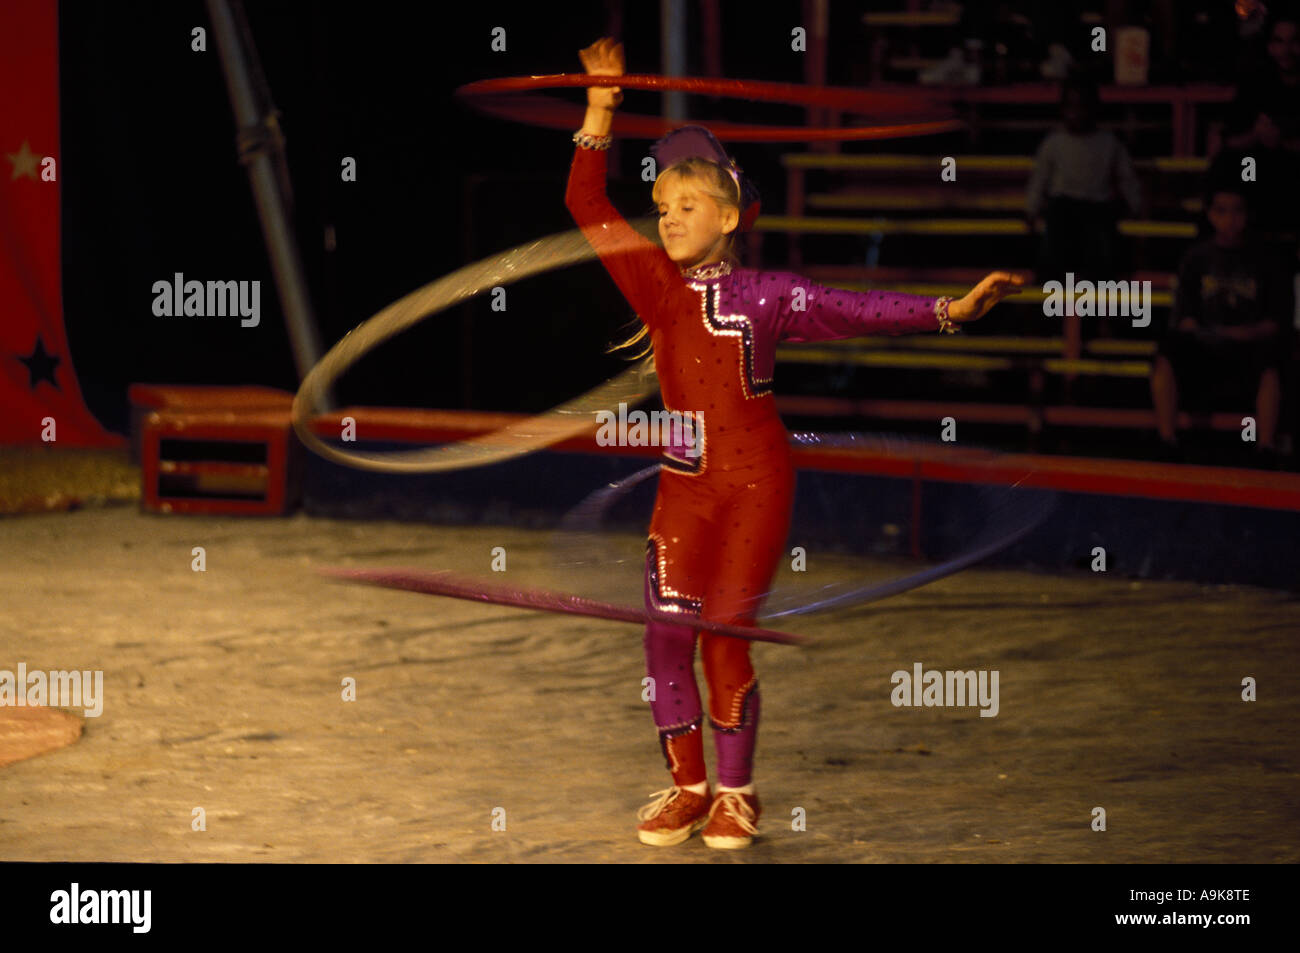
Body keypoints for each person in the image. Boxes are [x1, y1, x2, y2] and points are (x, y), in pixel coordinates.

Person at [565, 37, 1023, 849]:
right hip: (683, 487)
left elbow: (861, 308)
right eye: (663, 205)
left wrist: (955, 310)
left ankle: (737, 794)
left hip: (754, 485)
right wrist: (602, 105)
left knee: (724, 641)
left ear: (731, 217)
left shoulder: (769, 296)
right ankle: (687, 787)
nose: (667, 216)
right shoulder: (655, 286)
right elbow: (587, 207)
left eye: (687, 205)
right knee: (665, 633)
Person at [1150, 184, 1289, 465]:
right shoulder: (1195, 258)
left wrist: (1234, 334)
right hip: (1206, 349)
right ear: (1211, 215)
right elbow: (1184, 321)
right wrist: (1212, 334)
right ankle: (1167, 441)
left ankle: (1265, 447)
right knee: (1166, 352)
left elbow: (1275, 324)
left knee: (1272, 361)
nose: (1230, 219)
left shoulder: (1267, 259)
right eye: (1222, 211)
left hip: (1249, 349)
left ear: (1248, 215)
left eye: (1237, 211)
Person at [1027, 74, 1142, 285]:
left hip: (1097, 209)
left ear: (1094, 108)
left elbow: (1127, 179)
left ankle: (1100, 298)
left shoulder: (1109, 143)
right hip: (1062, 208)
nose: (1076, 113)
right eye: (1071, 106)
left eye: (1082, 106)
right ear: (1062, 109)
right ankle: (1045, 299)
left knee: (1103, 250)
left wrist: (1136, 207)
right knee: (1051, 244)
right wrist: (1031, 210)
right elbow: (1039, 179)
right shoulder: (1053, 143)